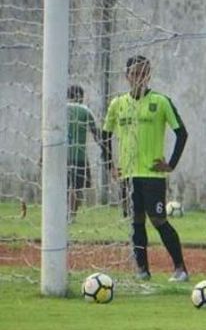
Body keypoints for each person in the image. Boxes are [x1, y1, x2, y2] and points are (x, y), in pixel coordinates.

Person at [103, 55, 189, 282]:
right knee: (136, 222)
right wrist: (110, 165)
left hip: (152, 175)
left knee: (159, 220)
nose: (139, 77)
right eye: (134, 73)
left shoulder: (161, 101)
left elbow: (182, 133)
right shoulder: (117, 104)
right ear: (127, 76)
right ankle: (142, 270)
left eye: (143, 73)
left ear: (148, 75)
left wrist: (170, 164)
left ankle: (180, 269)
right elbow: (105, 135)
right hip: (128, 175)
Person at [66, 84, 106, 222]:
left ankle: (61, 213)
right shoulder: (85, 111)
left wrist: (43, 156)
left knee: (63, 186)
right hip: (79, 157)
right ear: (81, 97)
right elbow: (95, 133)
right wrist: (105, 149)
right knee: (76, 187)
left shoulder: (60, 110)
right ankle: (72, 215)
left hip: (61, 157)